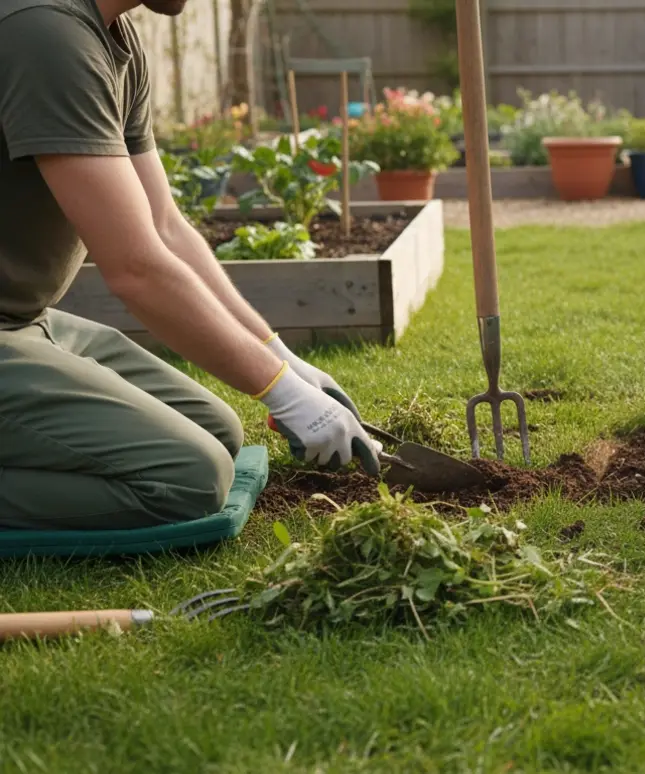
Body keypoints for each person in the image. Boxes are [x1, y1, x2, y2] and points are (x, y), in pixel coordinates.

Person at [0, 0, 382, 530]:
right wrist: (281, 394)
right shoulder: (43, 32)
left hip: (26, 321)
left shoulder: (116, 40)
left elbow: (166, 229)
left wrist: (280, 360)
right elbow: (136, 266)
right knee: (187, 478)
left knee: (217, 431)